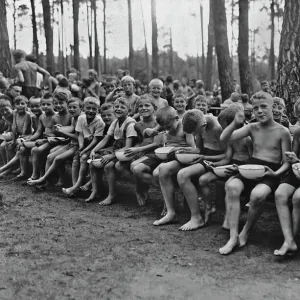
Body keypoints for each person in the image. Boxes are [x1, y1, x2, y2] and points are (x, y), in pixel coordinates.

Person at [218, 91, 291, 255]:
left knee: (258, 195)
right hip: (251, 166)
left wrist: (275, 174)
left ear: (273, 107)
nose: (259, 111)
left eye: (264, 107)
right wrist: (234, 125)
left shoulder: (283, 132)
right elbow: (224, 139)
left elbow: (287, 163)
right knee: (232, 187)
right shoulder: (251, 127)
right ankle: (232, 237)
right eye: (255, 108)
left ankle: (246, 230)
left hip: (270, 171)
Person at [199, 104, 253, 230]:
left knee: (229, 184)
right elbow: (227, 158)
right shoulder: (230, 137)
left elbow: (252, 159)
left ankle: (229, 219)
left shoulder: (247, 138)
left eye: (224, 126)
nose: (223, 129)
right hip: (230, 165)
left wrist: (239, 168)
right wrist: (215, 165)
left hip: (242, 167)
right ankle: (209, 207)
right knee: (203, 180)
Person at [142, 106, 195, 226]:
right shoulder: (166, 123)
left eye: (169, 127)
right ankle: (170, 204)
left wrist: (177, 148)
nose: (167, 130)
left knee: (162, 170)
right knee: (155, 174)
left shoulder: (186, 128)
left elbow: (194, 149)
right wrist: (154, 133)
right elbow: (150, 133)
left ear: (177, 118)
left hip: (185, 157)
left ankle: (170, 211)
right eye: (165, 128)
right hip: (172, 158)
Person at [173, 110, 225, 230]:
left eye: (195, 132)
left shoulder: (217, 128)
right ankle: (199, 214)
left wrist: (205, 157)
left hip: (216, 160)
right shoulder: (199, 123)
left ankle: (196, 218)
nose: (196, 135)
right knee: (180, 172)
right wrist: (185, 150)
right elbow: (199, 150)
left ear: (203, 125)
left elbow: (228, 155)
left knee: (183, 174)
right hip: (205, 157)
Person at [86, 97, 137, 204]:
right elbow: (106, 139)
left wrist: (111, 156)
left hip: (128, 152)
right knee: (92, 161)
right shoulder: (115, 122)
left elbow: (128, 147)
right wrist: (94, 150)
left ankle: (111, 195)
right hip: (117, 149)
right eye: (116, 106)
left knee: (108, 166)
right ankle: (95, 191)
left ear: (129, 110)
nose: (118, 109)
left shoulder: (130, 124)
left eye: (122, 107)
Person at [27, 98, 83, 187]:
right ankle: (44, 180)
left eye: (74, 107)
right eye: (70, 107)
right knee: (50, 156)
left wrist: (62, 131)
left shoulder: (81, 118)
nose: (72, 109)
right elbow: (71, 128)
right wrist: (61, 129)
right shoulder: (73, 118)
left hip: (77, 145)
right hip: (70, 144)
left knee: (57, 158)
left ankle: (43, 179)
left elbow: (77, 136)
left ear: (81, 108)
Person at [118, 95, 159, 205]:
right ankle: (142, 186)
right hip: (144, 152)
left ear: (154, 108)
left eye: (147, 105)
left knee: (135, 167)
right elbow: (141, 140)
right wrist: (134, 149)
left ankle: (154, 187)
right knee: (119, 165)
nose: (143, 108)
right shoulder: (138, 125)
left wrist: (139, 149)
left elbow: (158, 143)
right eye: (140, 106)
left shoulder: (159, 123)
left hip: (157, 153)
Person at [62, 97, 105, 197]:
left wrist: (85, 150)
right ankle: (74, 186)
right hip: (84, 144)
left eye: (94, 109)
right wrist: (81, 147)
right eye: (88, 108)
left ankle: (77, 186)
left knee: (84, 157)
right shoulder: (81, 118)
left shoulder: (99, 122)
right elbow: (80, 134)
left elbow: (96, 140)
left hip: (95, 146)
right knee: (76, 159)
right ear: (83, 108)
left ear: (97, 110)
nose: (91, 111)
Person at [0, 97, 42, 179]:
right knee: (9, 145)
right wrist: (14, 140)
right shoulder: (15, 113)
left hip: (27, 136)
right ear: (14, 106)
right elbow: (14, 126)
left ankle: (7, 168)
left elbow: (26, 129)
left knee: (19, 147)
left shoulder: (29, 115)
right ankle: (10, 167)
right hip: (21, 137)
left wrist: (20, 139)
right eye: (17, 104)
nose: (20, 106)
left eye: (22, 104)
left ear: (27, 105)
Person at [0, 99, 14, 165]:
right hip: (12, 134)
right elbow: (10, 126)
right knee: (2, 146)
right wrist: (7, 130)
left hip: (19, 135)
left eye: (6, 109)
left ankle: (12, 164)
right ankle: (6, 164)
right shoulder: (4, 117)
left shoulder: (15, 115)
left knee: (8, 146)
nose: (5, 112)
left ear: (11, 107)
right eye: (2, 111)